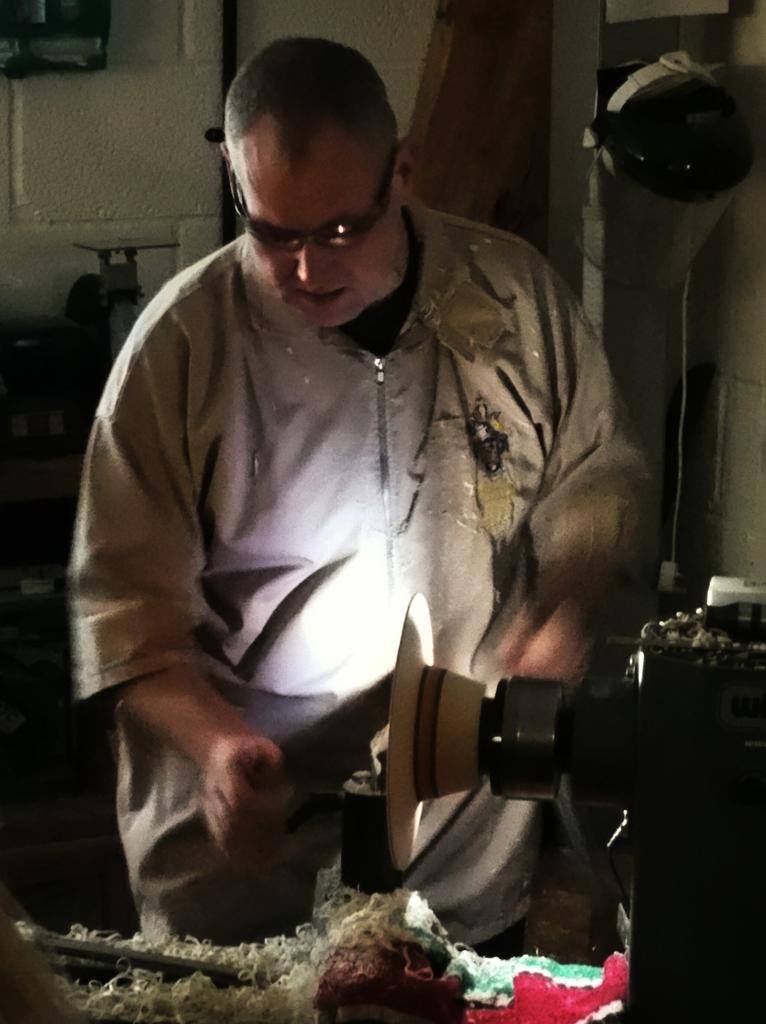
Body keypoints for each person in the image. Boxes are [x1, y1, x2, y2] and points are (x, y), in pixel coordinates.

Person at [70, 37, 645, 949]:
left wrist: (564, 602)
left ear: (403, 170)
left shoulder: (512, 300)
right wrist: (217, 748)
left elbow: (595, 476)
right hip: (243, 876)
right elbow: (123, 614)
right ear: (236, 183)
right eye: (273, 234)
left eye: (341, 230)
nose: (305, 269)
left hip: (459, 871)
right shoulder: (180, 352)